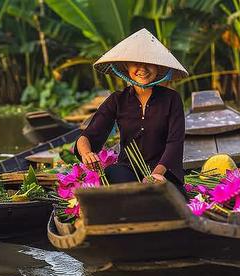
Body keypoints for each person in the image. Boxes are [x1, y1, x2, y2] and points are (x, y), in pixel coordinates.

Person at [75, 28, 188, 194]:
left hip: (164, 173)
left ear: (157, 67)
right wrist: (87, 154)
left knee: (165, 196)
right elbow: (89, 135)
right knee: (111, 174)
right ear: (127, 67)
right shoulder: (117, 100)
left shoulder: (172, 99)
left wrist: (155, 176)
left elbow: (175, 143)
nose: (142, 68)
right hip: (127, 172)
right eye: (136, 63)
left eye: (149, 63)